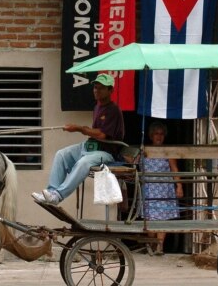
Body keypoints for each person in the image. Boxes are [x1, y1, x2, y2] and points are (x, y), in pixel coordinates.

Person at [32, 74, 124, 205]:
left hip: (106, 152)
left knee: (84, 162)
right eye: (95, 88)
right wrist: (80, 129)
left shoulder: (114, 110)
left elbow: (102, 135)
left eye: (101, 88)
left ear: (111, 90)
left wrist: (79, 128)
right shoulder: (97, 107)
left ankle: (58, 196)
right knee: (61, 155)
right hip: (91, 147)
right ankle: (51, 192)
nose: (96, 90)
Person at [142, 121, 183, 255]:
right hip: (149, 190)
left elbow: (174, 170)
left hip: (164, 190)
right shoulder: (145, 151)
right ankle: (151, 245)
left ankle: (160, 246)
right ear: (151, 136)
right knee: (150, 219)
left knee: (163, 218)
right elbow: (131, 160)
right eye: (156, 134)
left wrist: (179, 186)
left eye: (161, 134)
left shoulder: (167, 152)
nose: (159, 137)